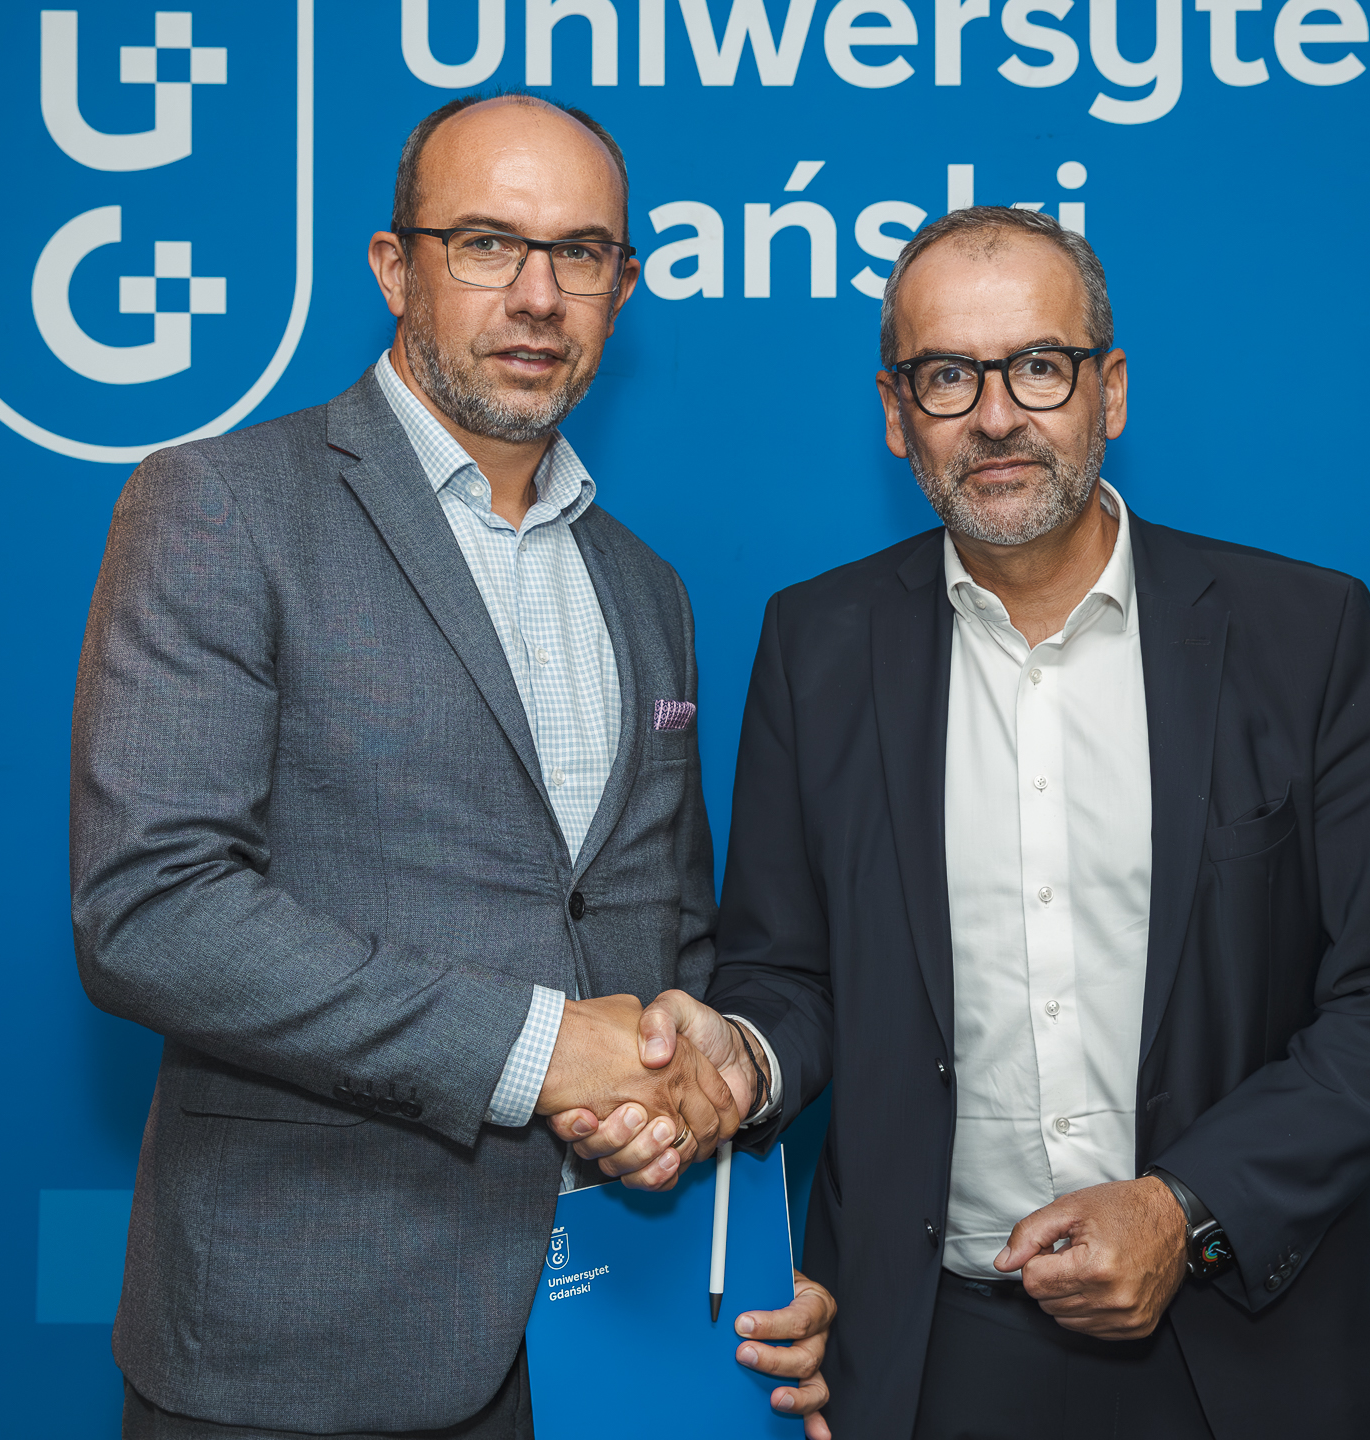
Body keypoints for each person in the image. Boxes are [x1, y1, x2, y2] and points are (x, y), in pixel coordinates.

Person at [555, 207, 1370, 1438]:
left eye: (1039, 366)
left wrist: (1184, 1208)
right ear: (897, 414)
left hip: (1249, 1341)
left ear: (1111, 392)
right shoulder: (816, 645)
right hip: (926, 1352)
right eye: (948, 376)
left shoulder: (1304, 636)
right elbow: (788, 969)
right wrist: (745, 1056)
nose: (996, 416)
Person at [71, 94, 832, 1440]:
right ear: (394, 266)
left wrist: (715, 1161)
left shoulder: (645, 587)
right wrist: (542, 1050)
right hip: (301, 1355)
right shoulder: (221, 505)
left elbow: (664, 940)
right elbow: (155, 912)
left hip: (624, 1338)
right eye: (487, 243)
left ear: (624, 287)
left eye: (581, 253)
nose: (538, 295)